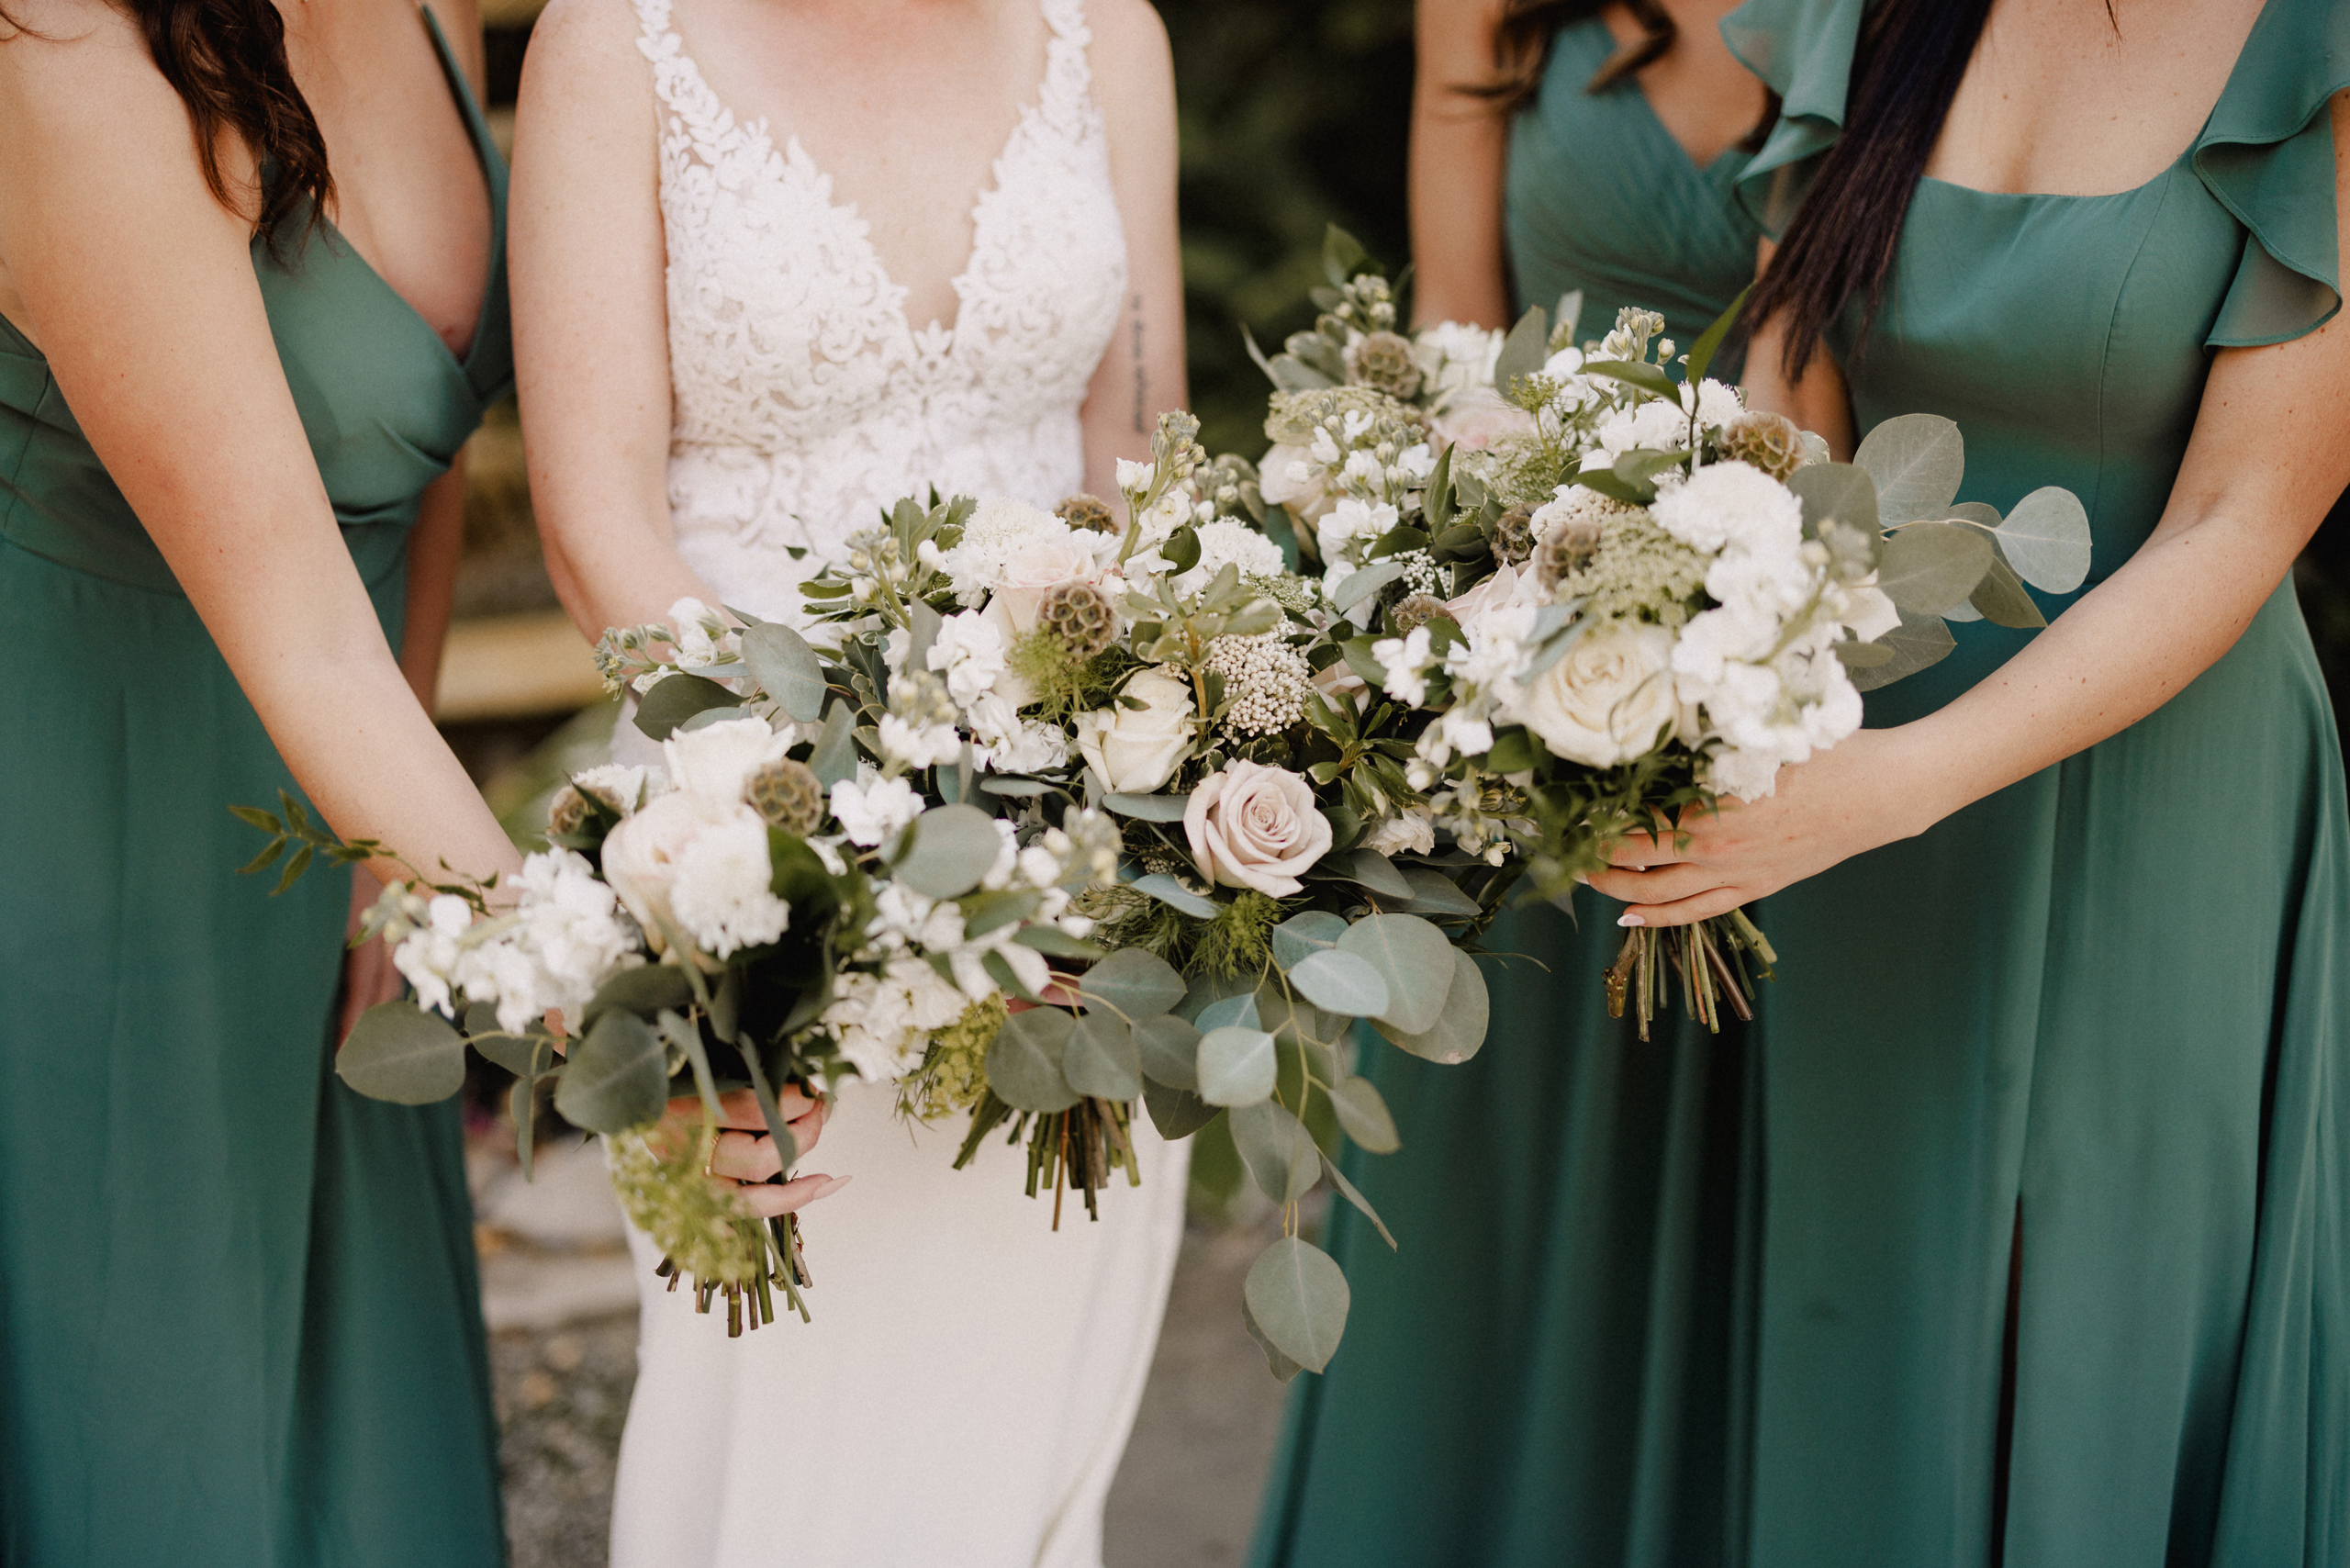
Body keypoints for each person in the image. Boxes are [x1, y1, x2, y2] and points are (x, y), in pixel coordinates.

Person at [1582, 0, 2350, 1558]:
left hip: (2151, 789)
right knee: (1866, 1312)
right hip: (1851, 782)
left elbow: (2247, 516)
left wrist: (1904, 781)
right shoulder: (1863, 14)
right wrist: (1708, 672)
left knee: (2092, 1332)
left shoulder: (2316, 46)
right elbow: (1793, 407)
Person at [509, 0, 1187, 1562]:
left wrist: (1137, 753)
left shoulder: (1109, 34)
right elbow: (591, 520)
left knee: (1021, 1407)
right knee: (783, 1415)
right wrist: (818, 810)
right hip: (740, 827)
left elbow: (1133, 434)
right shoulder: (616, 44)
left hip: (1068, 828)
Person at [1248, 5, 1776, 1564]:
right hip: (1518, 709)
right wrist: (1487, 610)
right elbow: (1462, 367)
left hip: (1791, 692)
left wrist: (1736, 648)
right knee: (1494, 1268)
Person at [0, 0, 525, 1560]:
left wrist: (405, 860)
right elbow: (302, 636)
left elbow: (414, 465)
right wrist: (638, 1003)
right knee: (158, 1445)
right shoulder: (64, 57)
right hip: (100, 824)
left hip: (363, 813)